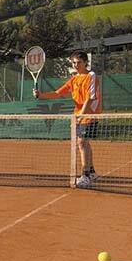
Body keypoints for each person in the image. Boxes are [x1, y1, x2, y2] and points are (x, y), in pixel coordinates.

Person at [33, 51, 101, 188]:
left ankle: (85, 175)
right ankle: (92, 172)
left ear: (86, 62)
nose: (76, 65)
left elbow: (90, 98)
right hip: (78, 115)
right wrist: (41, 95)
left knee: (82, 143)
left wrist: (82, 115)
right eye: (73, 62)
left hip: (89, 114)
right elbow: (58, 93)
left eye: (79, 62)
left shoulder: (91, 76)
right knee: (84, 143)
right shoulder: (74, 79)